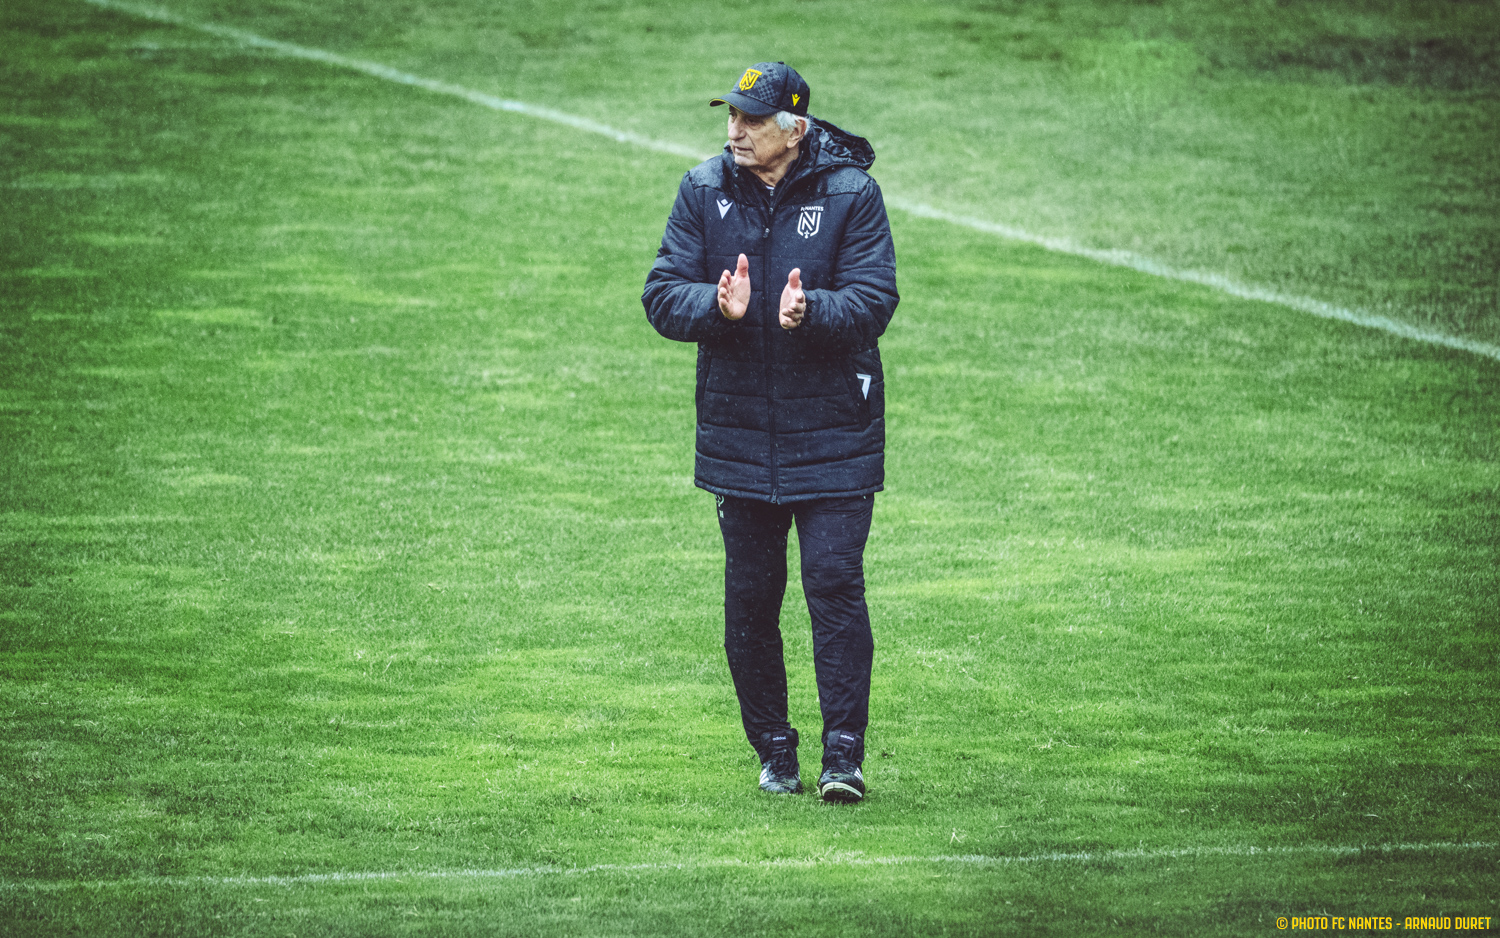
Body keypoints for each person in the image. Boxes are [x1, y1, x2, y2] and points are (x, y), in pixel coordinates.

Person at [641, 61, 899, 803]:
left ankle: (843, 757)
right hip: (741, 438)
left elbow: (875, 298)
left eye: (752, 119)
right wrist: (715, 307)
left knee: (834, 587)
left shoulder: (851, 194)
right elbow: (662, 293)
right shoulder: (703, 189)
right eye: (731, 115)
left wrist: (810, 311)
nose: (735, 130)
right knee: (751, 602)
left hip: (835, 434)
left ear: (795, 129)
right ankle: (775, 751)